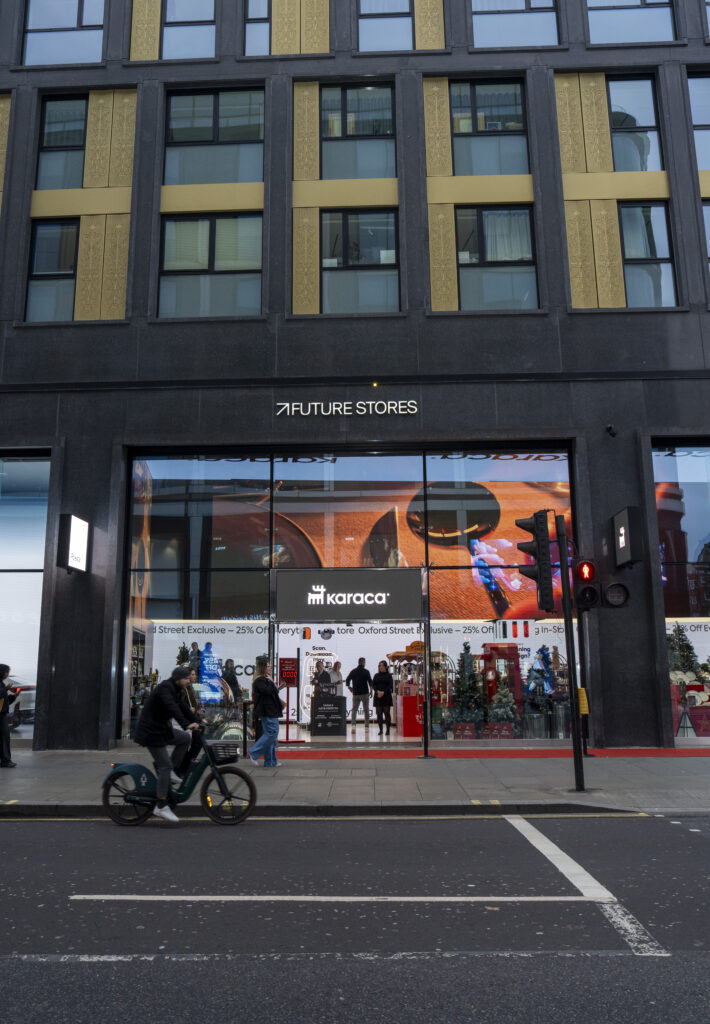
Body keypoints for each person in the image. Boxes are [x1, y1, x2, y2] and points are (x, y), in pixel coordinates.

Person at [134, 665, 201, 823]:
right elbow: (172, 708)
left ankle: (171, 771)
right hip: (151, 733)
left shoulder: (175, 689)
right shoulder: (165, 689)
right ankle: (161, 804)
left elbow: (182, 707)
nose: (189, 681)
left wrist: (197, 721)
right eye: (186, 678)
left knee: (184, 739)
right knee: (164, 766)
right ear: (178, 679)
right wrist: (186, 724)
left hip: (162, 730)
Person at [248, 656, 286, 768]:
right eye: (268, 666)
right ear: (263, 668)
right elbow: (268, 691)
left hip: (271, 710)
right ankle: (254, 752)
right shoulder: (259, 680)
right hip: (267, 710)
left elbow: (271, 692)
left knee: (272, 735)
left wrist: (276, 686)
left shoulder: (265, 679)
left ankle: (270, 761)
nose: (270, 668)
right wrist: (272, 683)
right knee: (271, 733)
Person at [346, 657, 373, 731]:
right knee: (366, 710)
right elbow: (370, 682)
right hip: (365, 693)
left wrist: (349, 687)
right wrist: (371, 691)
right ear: (364, 663)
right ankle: (366, 727)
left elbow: (347, 679)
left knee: (354, 710)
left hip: (356, 693)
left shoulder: (353, 671)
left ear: (358, 662)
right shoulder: (366, 671)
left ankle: (353, 726)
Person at [0, 664, 19, 768]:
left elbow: (3, 701)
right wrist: (5, 689)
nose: (7, 674)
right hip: (1, 715)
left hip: (2, 714)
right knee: (4, 737)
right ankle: (6, 760)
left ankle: (5, 760)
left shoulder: (1, 684)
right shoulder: (2, 685)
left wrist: (13, 697)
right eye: (6, 672)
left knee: (4, 737)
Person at [372, 659, 394, 736]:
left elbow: (390, 685)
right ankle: (380, 730)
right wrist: (377, 691)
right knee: (379, 713)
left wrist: (383, 692)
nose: (380, 667)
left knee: (387, 713)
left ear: (385, 667)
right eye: (379, 666)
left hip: (386, 696)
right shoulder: (376, 675)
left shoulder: (389, 676)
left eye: (382, 666)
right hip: (378, 696)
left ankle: (388, 730)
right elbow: (373, 684)